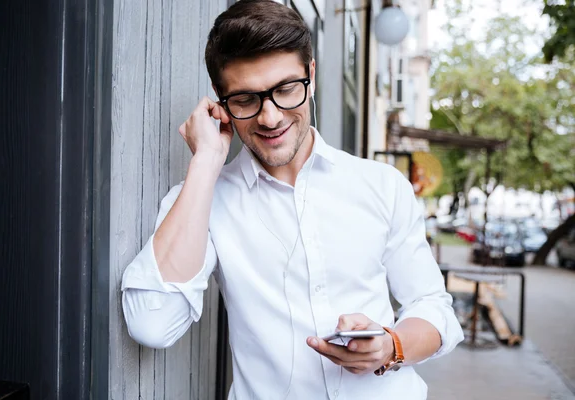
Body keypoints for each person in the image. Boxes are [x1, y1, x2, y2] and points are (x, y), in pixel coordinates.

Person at [121, 0, 463, 398]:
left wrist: (391, 346)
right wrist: (206, 161)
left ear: (311, 76)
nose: (270, 117)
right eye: (246, 99)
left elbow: (433, 307)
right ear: (219, 98)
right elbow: (153, 324)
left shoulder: (382, 185)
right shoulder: (202, 200)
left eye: (285, 89)